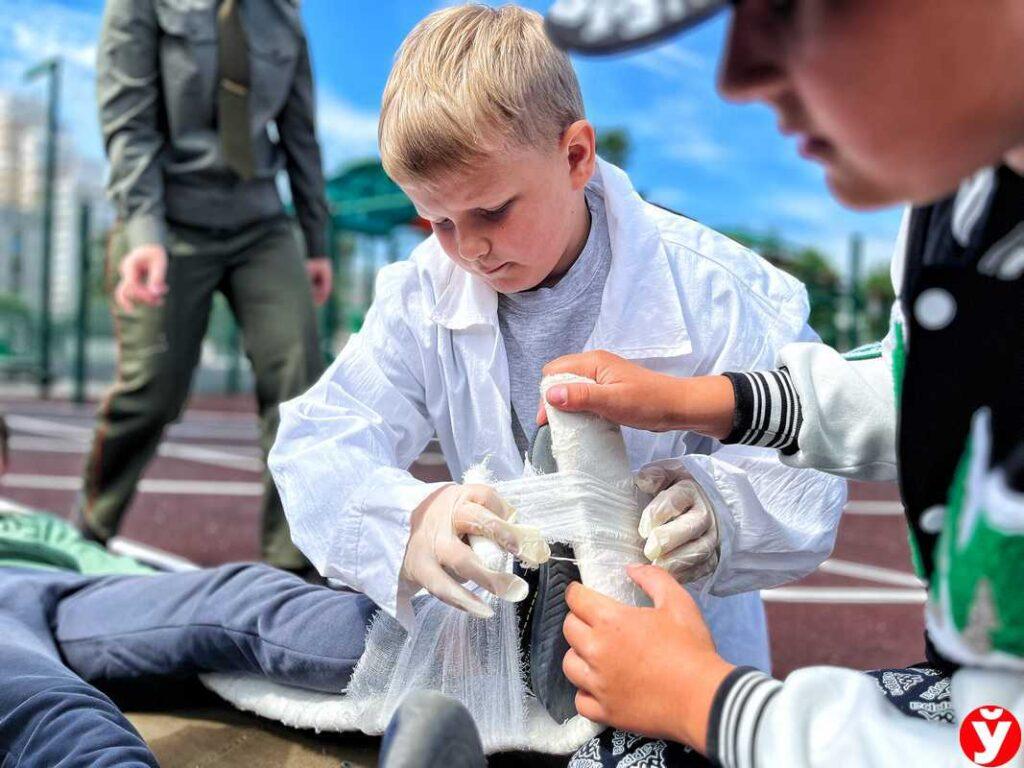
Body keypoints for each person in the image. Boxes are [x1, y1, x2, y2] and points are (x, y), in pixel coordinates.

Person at [269, 3, 846, 691]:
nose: (469, 248)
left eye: (491, 211)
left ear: (576, 155)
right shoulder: (422, 289)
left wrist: (723, 510)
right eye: (438, 220)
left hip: (683, 672)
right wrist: (414, 521)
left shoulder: (718, 290)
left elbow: (807, 461)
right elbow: (319, 441)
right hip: (501, 667)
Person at [536, 1, 1024, 766]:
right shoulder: (971, 189)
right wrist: (707, 400)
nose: (736, 77)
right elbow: (934, 386)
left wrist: (711, 702)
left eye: (790, 6)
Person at [80, 0, 332, 571]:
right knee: (153, 391)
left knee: (299, 384)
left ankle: (289, 567)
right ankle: (88, 530)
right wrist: (144, 231)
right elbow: (129, 122)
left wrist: (314, 240)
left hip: (261, 223)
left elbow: (300, 132)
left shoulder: (282, 14)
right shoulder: (138, 7)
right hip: (170, 221)